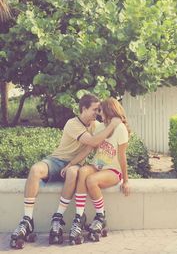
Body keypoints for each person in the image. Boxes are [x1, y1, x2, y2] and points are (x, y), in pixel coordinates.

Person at [10, 94, 121, 248]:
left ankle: (58, 218)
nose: (97, 113)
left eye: (98, 110)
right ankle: (27, 220)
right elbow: (92, 142)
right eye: (94, 109)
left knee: (73, 172)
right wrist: (112, 125)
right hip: (56, 161)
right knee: (35, 170)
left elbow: (92, 147)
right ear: (84, 109)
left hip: (73, 165)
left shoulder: (96, 125)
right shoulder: (72, 123)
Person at [60, 97, 131, 245]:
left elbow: (122, 157)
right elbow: (88, 149)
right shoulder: (100, 127)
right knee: (83, 171)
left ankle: (100, 217)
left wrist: (126, 180)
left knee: (91, 180)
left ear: (108, 111)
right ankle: (79, 217)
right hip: (98, 166)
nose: (99, 113)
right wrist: (70, 165)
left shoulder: (120, 129)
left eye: (101, 110)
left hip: (113, 170)